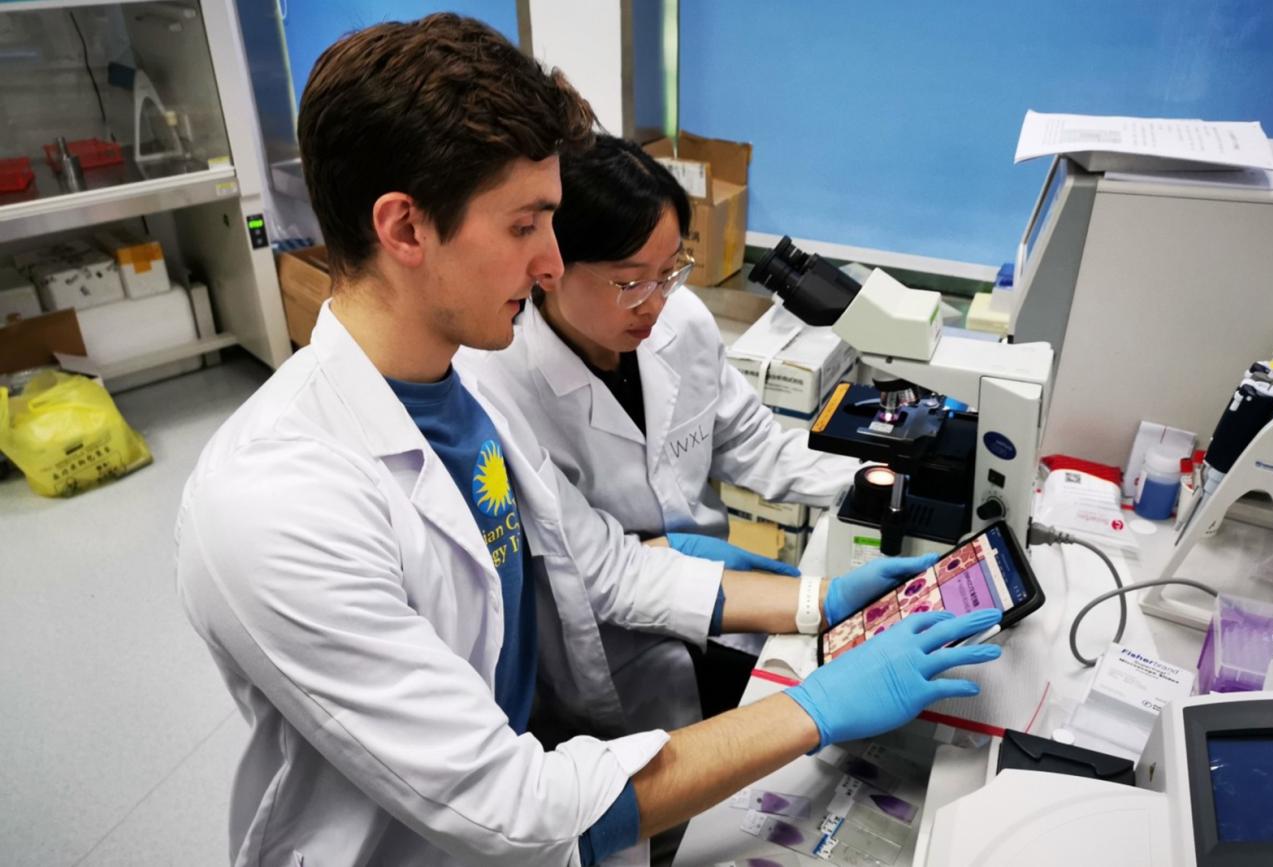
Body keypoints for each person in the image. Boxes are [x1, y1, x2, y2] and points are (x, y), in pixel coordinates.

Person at [174, 14, 1002, 866]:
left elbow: (602, 565)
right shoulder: (276, 502)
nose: (547, 266)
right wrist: (813, 709)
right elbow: (512, 808)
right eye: (526, 225)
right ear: (406, 229)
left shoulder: (456, 392)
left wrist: (815, 602)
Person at [461, 134, 866, 731]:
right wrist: (813, 601)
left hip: (721, 602)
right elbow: (602, 574)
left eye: (671, 270)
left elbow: (750, 441)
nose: (656, 304)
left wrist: (876, 482)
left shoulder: (682, 322)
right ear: (550, 270)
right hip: (613, 645)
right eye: (631, 282)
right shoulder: (500, 385)